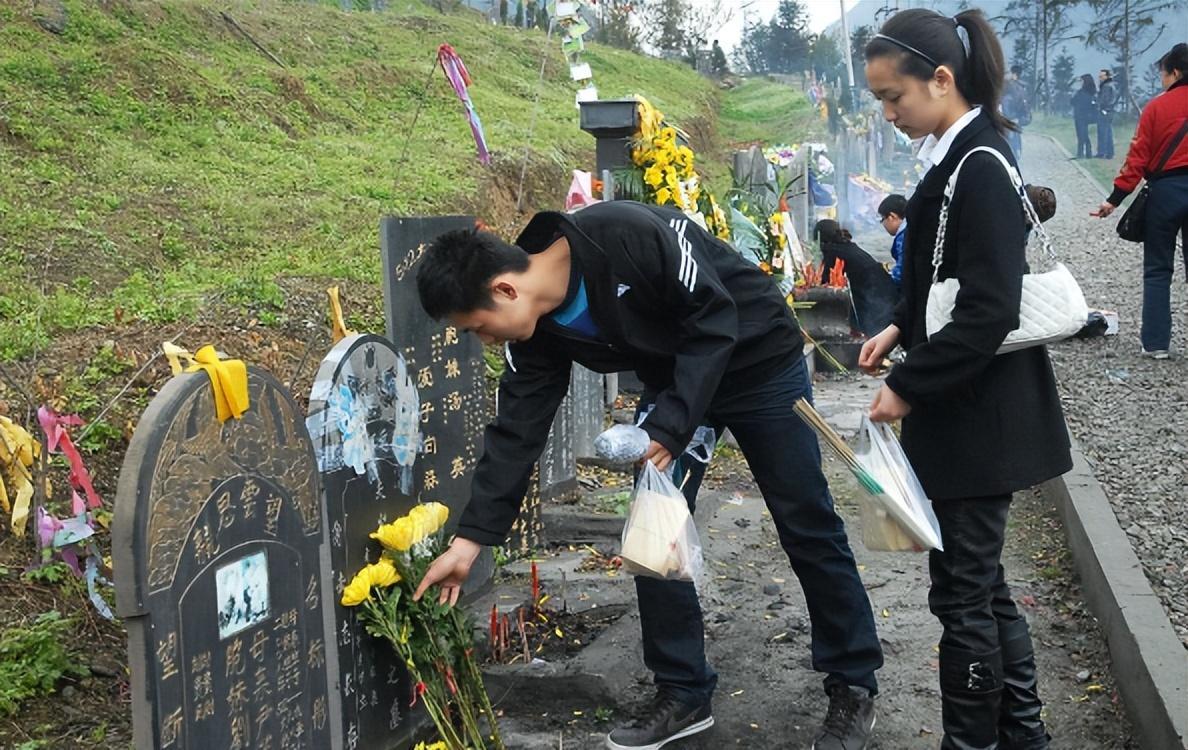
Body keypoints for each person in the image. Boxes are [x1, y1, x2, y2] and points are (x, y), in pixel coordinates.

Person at [411, 200, 884, 750]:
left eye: (478, 328)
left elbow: (714, 317)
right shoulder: (535, 333)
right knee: (653, 534)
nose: (486, 341)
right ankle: (683, 691)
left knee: (806, 522)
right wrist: (470, 541)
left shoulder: (626, 235)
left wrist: (669, 426)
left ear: (504, 290)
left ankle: (853, 682)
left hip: (758, 363)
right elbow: (517, 429)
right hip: (675, 383)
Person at [862, 8, 1072, 749]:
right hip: (968, 410)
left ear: (941, 79)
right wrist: (899, 325)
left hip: (980, 416)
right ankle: (1022, 734)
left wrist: (907, 384)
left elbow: (987, 310)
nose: (889, 114)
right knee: (980, 584)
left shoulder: (978, 164)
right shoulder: (956, 154)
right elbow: (942, 272)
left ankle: (973, 740)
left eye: (894, 96)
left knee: (962, 595)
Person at [1091, 44, 1188, 360]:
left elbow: (1137, 158)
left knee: (1158, 269)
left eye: (1163, 73)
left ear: (1175, 73)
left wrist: (1114, 199)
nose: (1162, 79)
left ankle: (1156, 343)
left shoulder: (1156, 108)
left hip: (1165, 192)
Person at [815, 219, 899, 336]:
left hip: (876, 299)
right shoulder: (847, 246)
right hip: (886, 291)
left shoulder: (834, 252)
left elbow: (826, 283)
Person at [877, 194, 909, 289]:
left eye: (882, 219)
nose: (883, 223)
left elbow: (902, 269)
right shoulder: (911, 227)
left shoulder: (903, 236)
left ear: (892, 216)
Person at [1001, 65, 1031, 159]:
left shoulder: (1014, 86)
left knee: (1012, 137)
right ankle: (1015, 153)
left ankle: (1014, 154)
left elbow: (1007, 100)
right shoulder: (1021, 87)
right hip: (1015, 116)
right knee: (1014, 137)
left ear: (1014, 74)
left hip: (1012, 116)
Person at [1071, 74, 1097, 159]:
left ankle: (1081, 153)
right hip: (1087, 115)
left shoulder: (1081, 92)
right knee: (1084, 135)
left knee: (1081, 135)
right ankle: (1087, 153)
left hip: (1080, 115)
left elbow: (1072, 101)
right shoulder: (1092, 92)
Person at [1096, 69, 1118, 159]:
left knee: (1103, 132)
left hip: (1105, 111)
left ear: (1107, 76)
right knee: (1108, 132)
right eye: (1100, 76)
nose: (1100, 78)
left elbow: (1104, 99)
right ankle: (1110, 153)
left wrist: (1100, 107)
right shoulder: (1112, 85)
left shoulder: (1106, 86)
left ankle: (1102, 152)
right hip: (1110, 111)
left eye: (1102, 76)